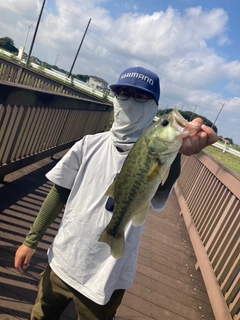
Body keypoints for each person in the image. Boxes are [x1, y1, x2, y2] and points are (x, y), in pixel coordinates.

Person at [14, 66, 218, 320]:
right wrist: (31, 240)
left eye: (141, 96)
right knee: (40, 315)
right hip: (63, 259)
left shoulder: (161, 150)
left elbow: (161, 183)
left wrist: (177, 154)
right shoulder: (88, 145)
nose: (129, 101)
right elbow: (59, 192)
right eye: (122, 93)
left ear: (154, 106)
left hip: (107, 276)